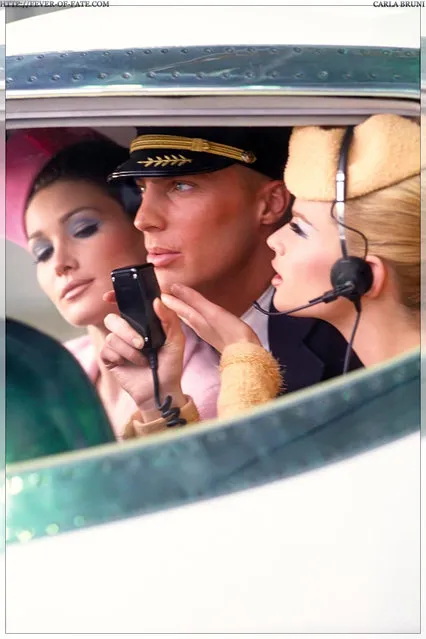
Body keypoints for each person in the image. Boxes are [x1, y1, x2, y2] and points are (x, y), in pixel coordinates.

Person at [100, 114, 420, 432]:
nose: (143, 219)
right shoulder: (170, 336)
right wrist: (159, 401)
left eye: (181, 186)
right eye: (141, 189)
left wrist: (246, 370)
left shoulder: (347, 337)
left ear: (271, 204)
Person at [6, 128, 221, 438]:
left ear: (143, 227)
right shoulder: (49, 376)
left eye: (84, 229)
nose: (60, 263)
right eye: (42, 252)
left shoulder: (207, 388)